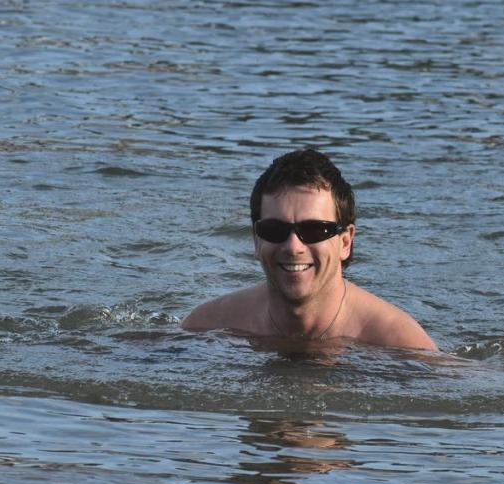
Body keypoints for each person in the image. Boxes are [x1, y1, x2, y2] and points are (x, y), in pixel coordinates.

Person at [182, 148, 437, 351]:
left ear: (345, 242)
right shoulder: (208, 326)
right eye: (274, 229)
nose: (293, 247)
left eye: (315, 230)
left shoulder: (399, 343)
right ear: (256, 241)